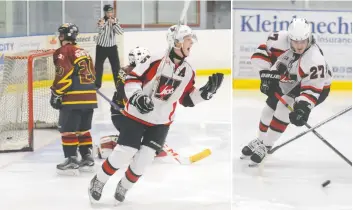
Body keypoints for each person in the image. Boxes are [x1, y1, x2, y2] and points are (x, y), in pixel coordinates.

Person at [88, 25, 224, 203]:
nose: (191, 43)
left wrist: (205, 94)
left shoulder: (189, 71)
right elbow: (132, 79)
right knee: (124, 152)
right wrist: (137, 97)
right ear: (176, 42)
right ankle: (99, 181)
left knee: (144, 160)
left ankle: (124, 186)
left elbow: (186, 99)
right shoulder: (154, 60)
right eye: (188, 39)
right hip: (136, 116)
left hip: (161, 122)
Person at [240, 18, 332, 166]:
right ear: (289, 38)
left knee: (283, 109)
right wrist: (266, 76)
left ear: (309, 37)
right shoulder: (278, 39)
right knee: (267, 111)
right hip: (289, 81)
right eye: (296, 41)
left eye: (303, 41)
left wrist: (302, 108)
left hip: (316, 88)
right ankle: (261, 139)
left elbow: (311, 88)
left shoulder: (315, 59)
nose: (300, 45)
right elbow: (260, 54)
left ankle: (266, 145)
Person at [95, 46, 168, 159]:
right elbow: (126, 95)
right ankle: (111, 142)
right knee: (134, 143)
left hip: (136, 112)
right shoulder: (126, 73)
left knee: (151, 144)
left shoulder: (146, 72)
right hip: (122, 113)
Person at [50, 23, 97, 175]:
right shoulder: (84, 52)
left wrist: (56, 92)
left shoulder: (63, 51)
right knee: (83, 130)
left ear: (63, 36)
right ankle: (87, 158)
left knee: (68, 130)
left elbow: (64, 75)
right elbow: (93, 75)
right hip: (90, 97)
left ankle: (71, 160)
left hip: (72, 98)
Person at [95, 4, 124, 89]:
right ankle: (97, 84)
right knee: (98, 66)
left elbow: (120, 32)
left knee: (116, 67)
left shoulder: (116, 20)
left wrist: (114, 24)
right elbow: (100, 33)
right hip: (101, 47)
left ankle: (118, 85)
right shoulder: (101, 20)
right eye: (108, 12)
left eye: (111, 12)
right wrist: (102, 25)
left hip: (112, 47)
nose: (110, 14)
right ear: (105, 13)